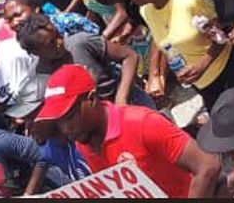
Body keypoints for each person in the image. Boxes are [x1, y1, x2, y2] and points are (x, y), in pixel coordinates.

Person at [33, 63, 221, 196]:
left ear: (91, 99)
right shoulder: (83, 142)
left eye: (70, 116)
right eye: (59, 122)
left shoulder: (142, 124)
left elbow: (208, 166)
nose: (66, 128)